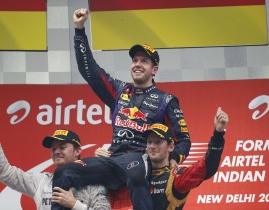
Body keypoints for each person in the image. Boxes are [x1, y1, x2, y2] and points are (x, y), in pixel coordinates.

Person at [52, 8, 192, 210]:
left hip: (140, 160)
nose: (137, 64)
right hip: (112, 160)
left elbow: (184, 139)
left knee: (135, 170)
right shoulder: (119, 90)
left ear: (154, 70)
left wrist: (173, 158)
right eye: (135, 60)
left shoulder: (166, 100)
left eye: (144, 61)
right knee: (64, 172)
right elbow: (90, 71)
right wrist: (79, 30)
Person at [0, 108, 111, 210]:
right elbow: (5, 173)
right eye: (53, 148)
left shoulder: (93, 184)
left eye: (62, 147)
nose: (57, 151)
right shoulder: (42, 181)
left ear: (78, 151)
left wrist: (75, 204)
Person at [145, 107, 228, 209]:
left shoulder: (176, 178)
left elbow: (207, 167)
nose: (152, 146)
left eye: (158, 142)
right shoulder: (137, 173)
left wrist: (218, 134)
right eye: (149, 142)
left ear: (171, 146)